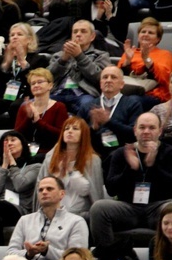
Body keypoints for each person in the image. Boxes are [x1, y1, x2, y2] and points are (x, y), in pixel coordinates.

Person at [89, 113, 172, 248]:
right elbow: (111, 189)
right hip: (128, 208)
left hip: (158, 208)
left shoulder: (169, 152)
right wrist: (130, 170)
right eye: (142, 127)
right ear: (135, 130)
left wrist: (154, 165)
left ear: (160, 131)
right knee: (99, 209)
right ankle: (108, 257)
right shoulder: (122, 153)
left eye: (151, 128)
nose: (146, 131)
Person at [0, 23, 50, 130]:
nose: (15, 37)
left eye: (19, 34)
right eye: (12, 35)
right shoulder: (3, 59)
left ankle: (17, 138)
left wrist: (23, 62)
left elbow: (35, 84)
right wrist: (6, 64)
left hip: (27, 96)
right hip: (5, 96)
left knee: (17, 106)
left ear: (29, 40)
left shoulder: (39, 60)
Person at [35, 117, 104, 221]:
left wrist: (71, 172)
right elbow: (41, 186)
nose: (70, 131)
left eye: (75, 128)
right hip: (53, 211)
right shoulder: (51, 158)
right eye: (66, 129)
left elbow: (88, 191)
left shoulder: (93, 160)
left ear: (83, 134)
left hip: (80, 214)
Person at [78, 65, 144, 161]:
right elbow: (78, 134)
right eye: (105, 77)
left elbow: (134, 134)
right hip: (91, 153)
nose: (108, 80)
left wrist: (108, 122)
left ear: (122, 84)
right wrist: (93, 128)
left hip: (121, 155)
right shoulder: (88, 106)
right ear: (100, 83)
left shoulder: (133, 104)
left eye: (113, 77)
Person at [47, 20, 111, 115]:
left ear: (92, 36)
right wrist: (63, 59)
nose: (78, 34)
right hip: (58, 93)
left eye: (83, 31)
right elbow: (47, 77)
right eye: (75, 31)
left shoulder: (101, 55)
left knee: (89, 107)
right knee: (31, 104)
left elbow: (99, 77)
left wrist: (80, 56)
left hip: (83, 94)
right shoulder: (58, 55)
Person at [118, 17, 172, 111]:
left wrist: (147, 60)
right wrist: (127, 62)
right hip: (128, 91)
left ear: (158, 39)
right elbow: (117, 76)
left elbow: (165, 79)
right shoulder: (130, 52)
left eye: (150, 33)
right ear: (138, 35)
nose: (146, 35)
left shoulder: (165, 54)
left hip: (153, 95)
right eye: (143, 32)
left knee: (131, 101)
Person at [13, 69, 69, 155]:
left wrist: (38, 122)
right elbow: (17, 135)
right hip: (26, 152)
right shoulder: (25, 107)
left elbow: (60, 135)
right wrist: (28, 118)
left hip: (50, 153)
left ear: (50, 85)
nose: (36, 85)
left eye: (40, 82)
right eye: (33, 83)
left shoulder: (59, 107)